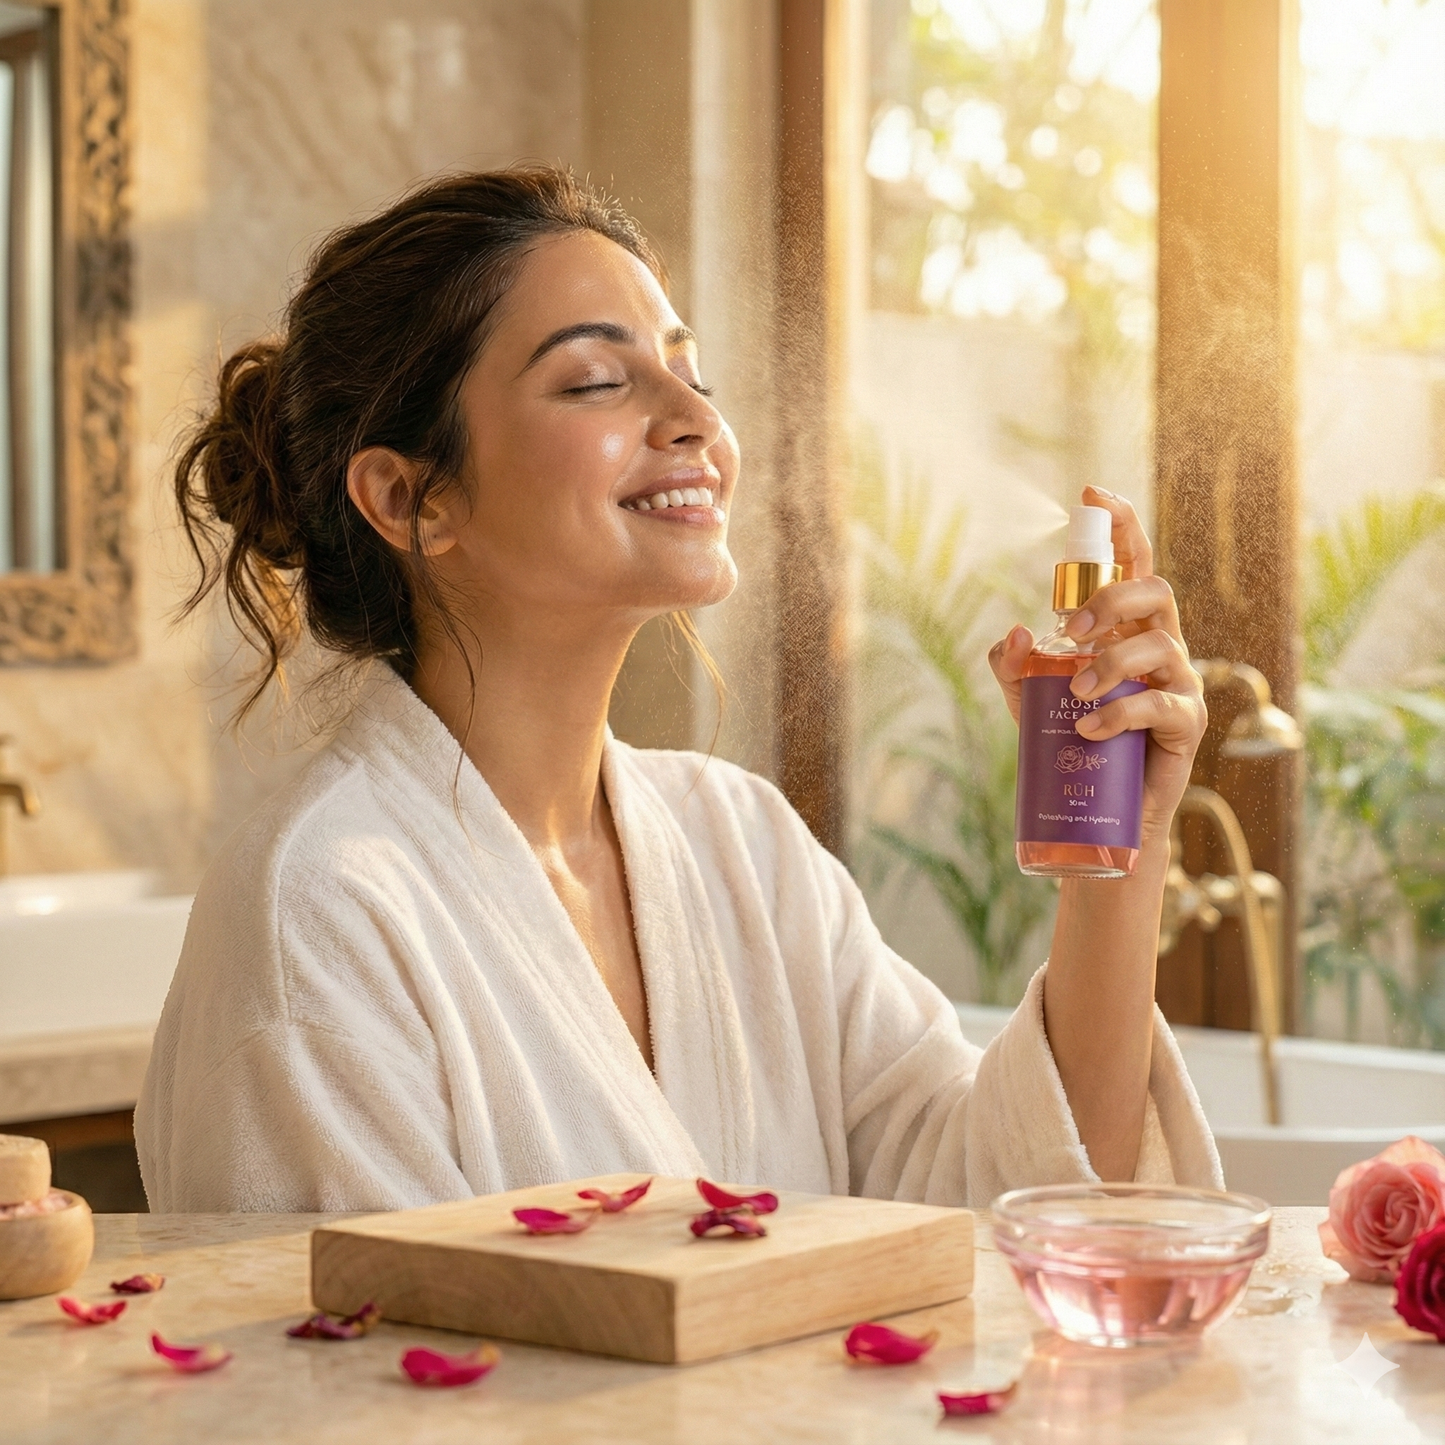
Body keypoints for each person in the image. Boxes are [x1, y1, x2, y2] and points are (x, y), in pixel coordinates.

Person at [136, 166, 1220, 1212]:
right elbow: (360, 1330)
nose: (695, 418)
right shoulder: (320, 910)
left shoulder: (742, 844)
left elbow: (1010, 1200)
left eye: (690, 374)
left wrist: (1118, 857)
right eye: (595, 381)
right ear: (409, 498)